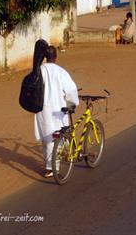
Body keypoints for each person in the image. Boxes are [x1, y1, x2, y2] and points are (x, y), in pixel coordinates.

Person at [34, 45, 79, 178]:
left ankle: (51, 163)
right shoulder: (61, 72)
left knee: (47, 138)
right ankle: (51, 168)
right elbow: (71, 91)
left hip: (42, 110)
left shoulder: (38, 71)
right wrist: (73, 104)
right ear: (56, 56)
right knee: (57, 137)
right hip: (58, 109)